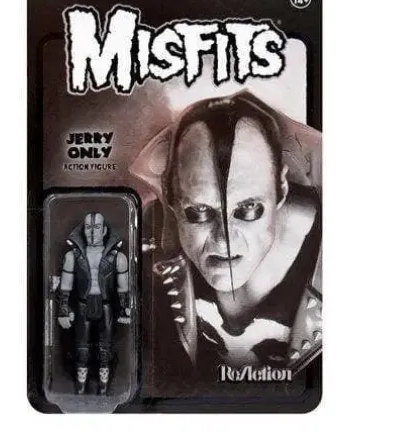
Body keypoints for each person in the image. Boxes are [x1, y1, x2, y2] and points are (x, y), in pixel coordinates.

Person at [130, 90, 322, 392]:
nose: (225, 240)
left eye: (248, 208)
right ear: (170, 197)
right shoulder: (145, 237)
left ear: (281, 189)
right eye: (199, 212)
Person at [57, 212, 129, 395]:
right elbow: (65, 285)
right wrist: (63, 309)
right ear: (83, 230)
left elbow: (123, 288)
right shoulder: (73, 256)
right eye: (88, 227)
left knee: (105, 348)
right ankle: (80, 386)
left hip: (106, 306)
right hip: (83, 305)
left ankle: (104, 387)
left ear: (104, 231)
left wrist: (124, 309)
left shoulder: (118, 258)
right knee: (81, 348)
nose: (92, 232)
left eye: (96, 227)